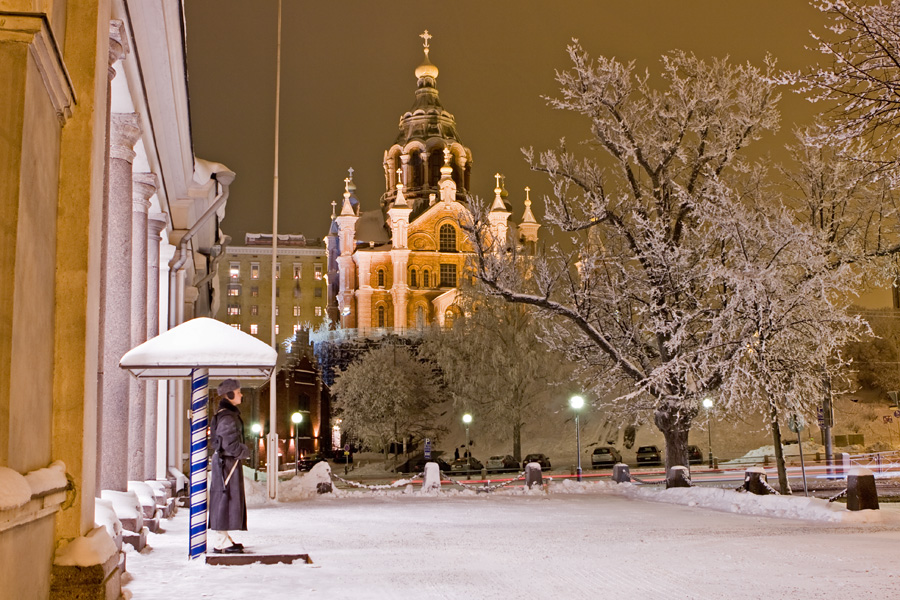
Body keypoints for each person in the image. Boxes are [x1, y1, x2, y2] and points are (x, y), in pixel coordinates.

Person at [208, 378, 250, 554]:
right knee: (224, 499)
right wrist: (244, 451)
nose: (241, 394)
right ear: (230, 394)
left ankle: (223, 538)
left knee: (226, 498)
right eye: (238, 392)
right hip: (227, 464)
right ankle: (221, 540)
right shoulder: (227, 416)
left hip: (227, 464)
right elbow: (228, 443)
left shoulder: (226, 415)